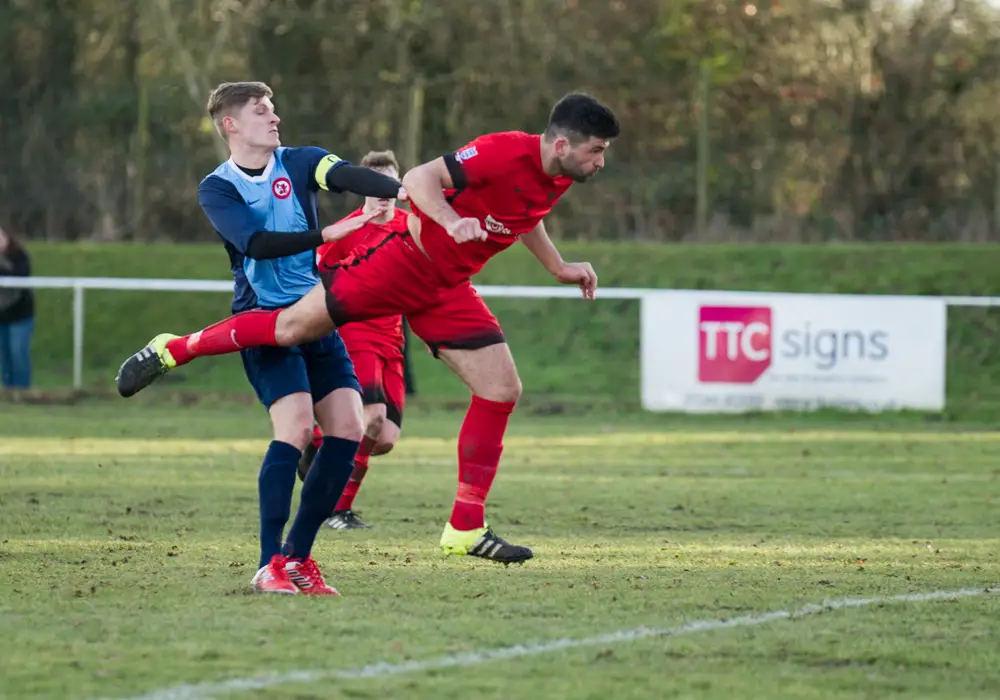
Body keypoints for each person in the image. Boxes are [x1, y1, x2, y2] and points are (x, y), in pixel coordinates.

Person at [115, 92, 620, 565]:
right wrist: (448, 221)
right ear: (561, 143)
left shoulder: (554, 176)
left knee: (501, 388)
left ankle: (465, 528)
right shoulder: (500, 151)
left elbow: (524, 213)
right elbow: (421, 179)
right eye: (596, 151)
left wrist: (557, 267)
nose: (601, 162)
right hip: (399, 264)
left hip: (448, 286)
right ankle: (176, 347)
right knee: (290, 329)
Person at [193, 81, 405, 595]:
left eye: (273, 108)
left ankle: (298, 559)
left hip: (316, 317)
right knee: (292, 429)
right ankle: (268, 563)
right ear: (231, 125)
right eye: (261, 110)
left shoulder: (302, 160)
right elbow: (256, 243)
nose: (274, 117)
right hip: (264, 323)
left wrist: (405, 189)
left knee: (349, 429)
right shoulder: (217, 187)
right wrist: (328, 235)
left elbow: (347, 174)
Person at [297, 149, 412, 531]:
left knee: (385, 439)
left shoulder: (413, 227)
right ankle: (337, 509)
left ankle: (314, 438)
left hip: (393, 342)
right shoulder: (347, 230)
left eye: (388, 186)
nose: (381, 193)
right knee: (372, 419)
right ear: (361, 189)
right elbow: (316, 282)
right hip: (354, 334)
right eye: (373, 186)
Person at [0, 225, 35, 390]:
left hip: (20, 314)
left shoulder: (19, 257)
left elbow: (20, 277)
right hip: (1, 316)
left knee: (18, 352)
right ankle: (9, 390)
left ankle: (22, 390)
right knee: (5, 355)